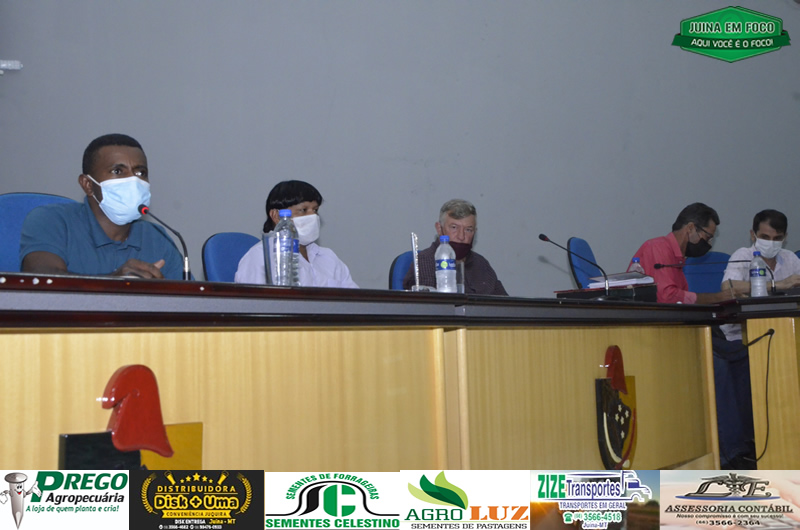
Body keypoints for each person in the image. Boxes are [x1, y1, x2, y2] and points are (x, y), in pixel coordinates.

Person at [20, 133, 183, 279]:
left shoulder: (157, 238)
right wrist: (113, 282)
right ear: (88, 184)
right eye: (118, 171)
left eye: (141, 173)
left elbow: (187, 298)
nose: (133, 180)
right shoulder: (51, 220)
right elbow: (42, 279)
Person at [714, 209, 800, 469]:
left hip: (784, 334)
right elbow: (728, 288)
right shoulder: (742, 256)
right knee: (753, 360)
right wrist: (779, 285)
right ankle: (749, 443)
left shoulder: (789, 259)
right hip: (740, 336)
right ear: (753, 235)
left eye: (777, 238)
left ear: (784, 238)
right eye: (765, 237)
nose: (771, 243)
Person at [234, 180, 358, 288]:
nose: (312, 216)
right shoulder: (261, 257)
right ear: (276, 215)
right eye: (303, 210)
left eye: (315, 210)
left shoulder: (328, 257)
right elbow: (256, 303)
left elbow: (355, 301)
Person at [630, 202, 745, 304]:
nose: (708, 244)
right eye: (707, 237)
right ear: (690, 228)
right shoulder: (658, 247)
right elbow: (667, 297)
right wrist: (717, 298)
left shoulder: (679, 259)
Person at [402, 199, 507, 295]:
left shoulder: (481, 264)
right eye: (454, 227)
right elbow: (431, 306)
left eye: (468, 230)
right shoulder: (424, 262)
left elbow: (506, 304)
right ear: (439, 229)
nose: (461, 236)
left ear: (475, 232)